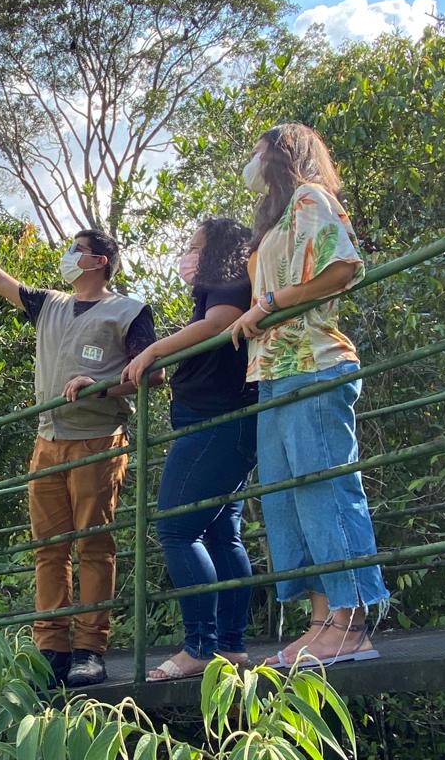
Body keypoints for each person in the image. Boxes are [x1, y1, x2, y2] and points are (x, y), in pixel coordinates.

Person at [0, 219, 163, 686]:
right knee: (48, 550)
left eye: (77, 249)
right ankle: (52, 651)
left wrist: (102, 386)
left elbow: (152, 374)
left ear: (98, 262)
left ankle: (91, 649)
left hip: (98, 441)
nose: (68, 254)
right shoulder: (51, 304)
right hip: (46, 442)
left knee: (94, 544)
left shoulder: (128, 311)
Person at [228, 123, 389, 668]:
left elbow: (343, 266)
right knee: (287, 499)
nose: (252, 160)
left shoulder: (309, 197)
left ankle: (353, 624)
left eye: (258, 150)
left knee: (324, 489)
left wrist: (269, 303)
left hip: (314, 363)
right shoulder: (277, 217)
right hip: (272, 372)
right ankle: (322, 621)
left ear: (283, 153)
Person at [121, 218, 258, 682]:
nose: (187, 254)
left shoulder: (230, 281)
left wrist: (153, 350)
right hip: (219, 420)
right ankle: (230, 646)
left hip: (218, 421)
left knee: (177, 529)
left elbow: (219, 325)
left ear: (216, 250)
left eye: (194, 246)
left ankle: (202, 645)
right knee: (222, 536)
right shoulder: (220, 288)